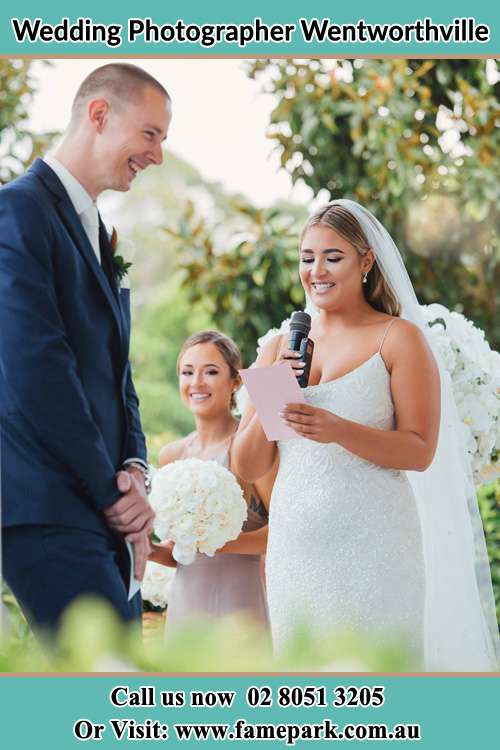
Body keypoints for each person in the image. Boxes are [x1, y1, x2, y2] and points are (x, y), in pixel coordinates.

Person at [232, 200, 500, 671]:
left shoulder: (398, 339)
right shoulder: (280, 345)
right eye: (307, 257)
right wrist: (273, 384)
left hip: (377, 546)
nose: (317, 270)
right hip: (297, 548)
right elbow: (248, 465)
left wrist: (337, 429)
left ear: (366, 261)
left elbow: (419, 450)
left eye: (333, 257)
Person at [0, 63, 172, 633]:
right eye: (150, 134)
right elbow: (37, 369)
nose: (157, 156)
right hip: (50, 505)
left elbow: (118, 371)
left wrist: (135, 470)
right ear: (98, 115)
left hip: (102, 510)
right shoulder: (18, 211)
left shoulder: (98, 230)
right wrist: (115, 497)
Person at [149, 331, 276, 630]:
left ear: (235, 381)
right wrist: (150, 549)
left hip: (239, 605)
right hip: (186, 605)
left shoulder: (249, 449)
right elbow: (179, 551)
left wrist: (217, 543)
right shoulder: (171, 455)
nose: (196, 383)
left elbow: (280, 532)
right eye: (187, 372)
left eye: (211, 372)